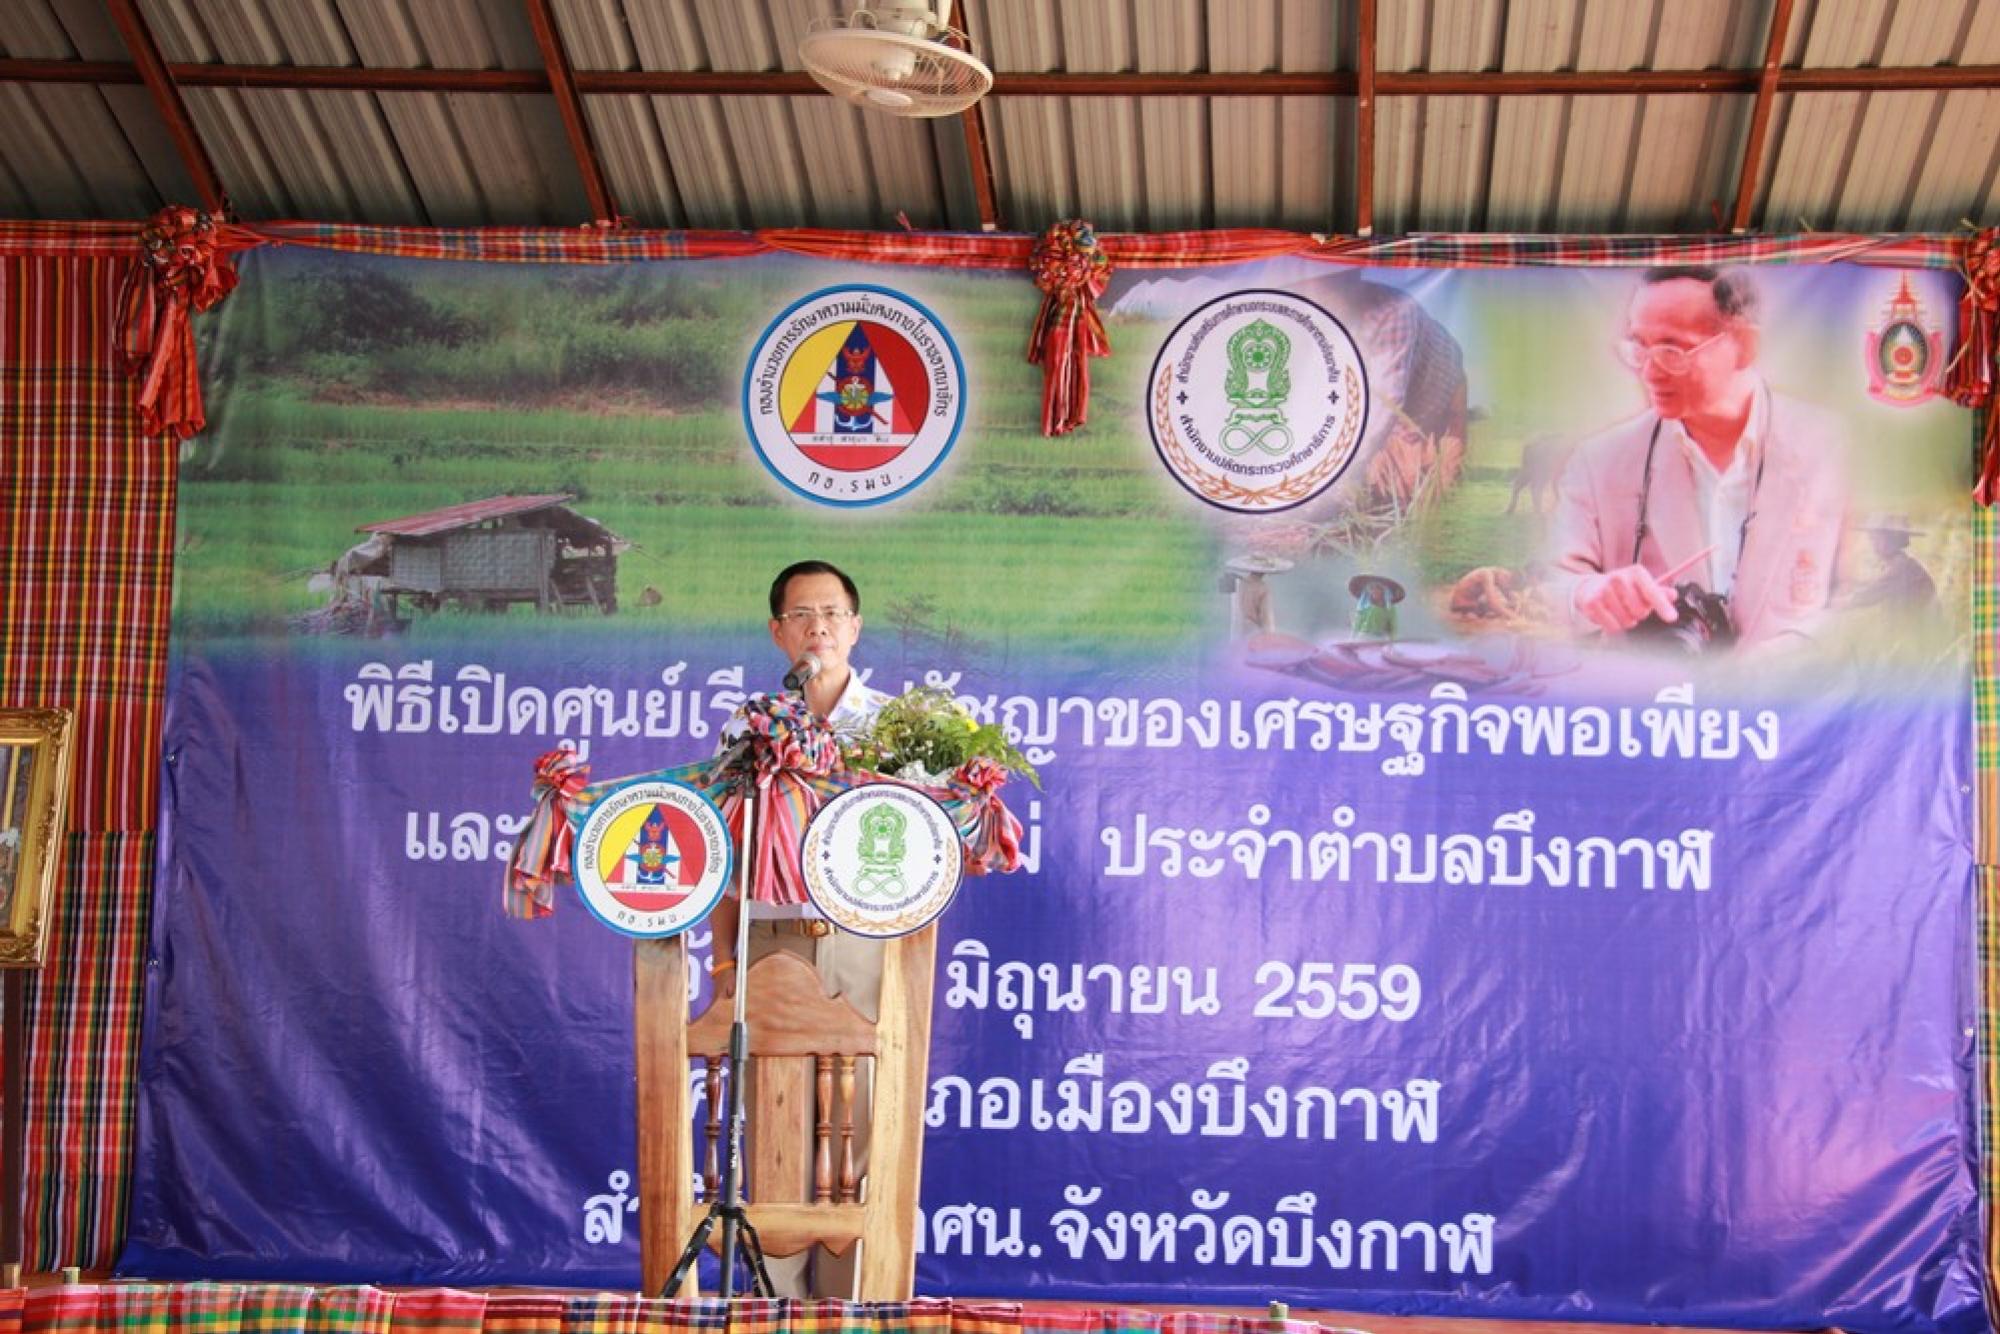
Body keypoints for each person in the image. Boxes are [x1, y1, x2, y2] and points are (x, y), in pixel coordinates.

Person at [705, 559, 889, 1298]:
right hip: (772, 943)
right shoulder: (748, 726)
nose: (819, 628)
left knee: (859, 1131)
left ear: (855, 627)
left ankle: (849, 1304)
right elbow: (727, 850)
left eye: (833, 613)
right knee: (775, 1130)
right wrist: (724, 962)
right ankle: (776, 1302)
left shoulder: (894, 726)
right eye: (802, 615)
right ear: (778, 632)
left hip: (861, 947)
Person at [1545, 267, 1849, 649]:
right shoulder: (1599, 463)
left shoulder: (1833, 448)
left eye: (1672, 350)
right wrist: (1585, 593)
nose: (1649, 372)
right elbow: (1547, 586)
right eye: (1639, 348)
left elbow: (1868, 601)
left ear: (1744, 345)